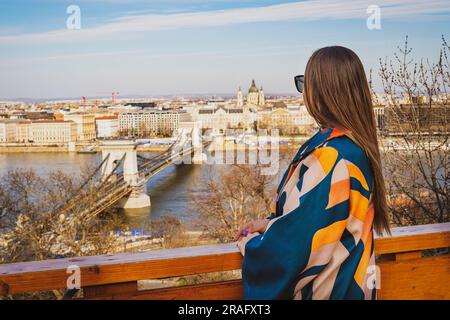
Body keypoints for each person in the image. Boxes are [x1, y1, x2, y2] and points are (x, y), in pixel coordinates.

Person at [235, 46, 390, 300]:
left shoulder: (330, 157)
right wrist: (273, 225)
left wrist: (250, 243)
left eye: (305, 83)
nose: (302, 92)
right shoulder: (357, 148)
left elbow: (290, 251)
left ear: (321, 92)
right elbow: (325, 223)